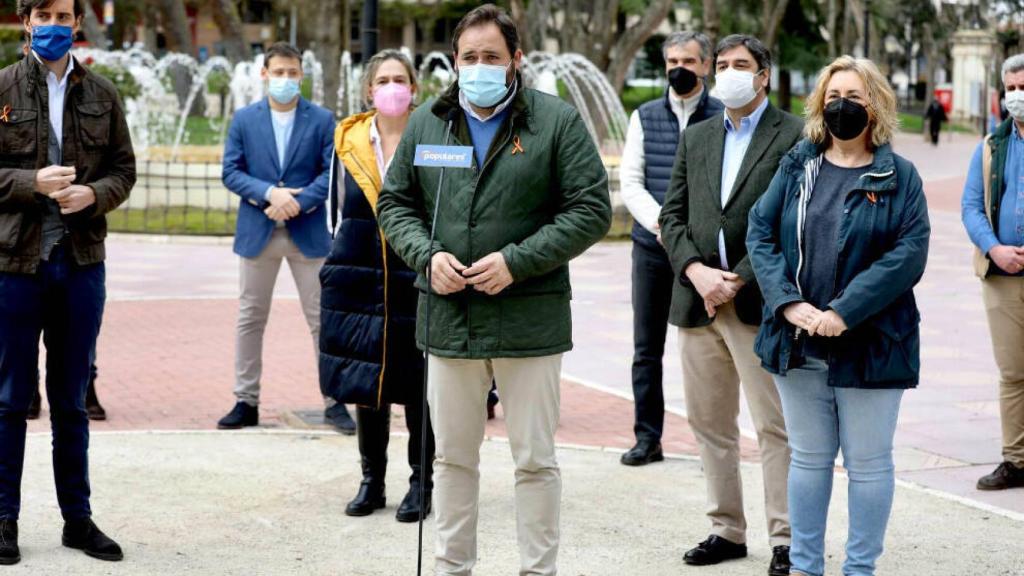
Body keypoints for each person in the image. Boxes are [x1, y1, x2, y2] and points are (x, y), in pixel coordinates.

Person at [376, 5, 611, 574]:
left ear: (516, 61)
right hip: (448, 318)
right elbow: (395, 202)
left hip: (529, 319)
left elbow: (591, 209)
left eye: (492, 57)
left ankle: (538, 569)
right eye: (469, 57)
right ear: (454, 62)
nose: (479, 67)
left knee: (534, 461)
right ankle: (453, 566)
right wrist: (425, 256)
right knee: (453, 460)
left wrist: (517, 261)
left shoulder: (555, 121)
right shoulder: (431, 121)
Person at [747, 55, 930, 576]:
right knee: (807, 458)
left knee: (869, 464)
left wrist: (844, 312)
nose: (841, 107)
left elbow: (908, 254)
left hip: (873, 342)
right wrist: (788, 302)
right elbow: (760, 232)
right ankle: (805, 567)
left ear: (875, 104)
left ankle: (859, 569)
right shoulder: (797, 164)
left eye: (852, 97)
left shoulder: (900, 175)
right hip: (799, 341)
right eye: (832, 98)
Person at [0, 0, 137, 564]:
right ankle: (4, 519)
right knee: (9, 400)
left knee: (72, 401)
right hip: (14, 265)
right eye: (46, 14)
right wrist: (30, 182)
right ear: (26, 19)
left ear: (75, 22)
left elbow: (124, 170)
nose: (57, 25)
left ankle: (76, 519)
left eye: (65, 15)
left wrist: (94, 194)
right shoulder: (4, 89)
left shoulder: (102, 93)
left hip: (81, 263)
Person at [659, 34, 800, 574]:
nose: (729, 73)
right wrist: (696, 271)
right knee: (710, 424)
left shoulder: (792, 136)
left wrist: (734, 279)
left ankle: (786, 536)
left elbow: (791, 220)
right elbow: (672, 216)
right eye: (722, 65)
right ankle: (727, 529)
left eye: (741, 65)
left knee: (773, 425)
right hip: (697, 304)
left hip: (757, 302)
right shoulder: (697, 137)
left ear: (763, 75)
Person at [319, 49, 435, 523]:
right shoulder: (349, 139)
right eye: (383, 79)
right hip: (360, 273)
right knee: (367, 380)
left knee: (417, 381)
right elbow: (333, 208)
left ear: (414, 87)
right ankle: (372, 479)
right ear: (369, 90)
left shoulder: (433, 134)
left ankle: (420, 481)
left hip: (417, 270)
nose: (392, 87)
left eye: (400, 79)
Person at [219, 42, 354, 434]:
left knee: (322, 319)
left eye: (292, 73)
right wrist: (269, 195)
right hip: (258, 230)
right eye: (278, 72)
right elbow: (231, 171)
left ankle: (334, 400)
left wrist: (298, 203)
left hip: (307, 232)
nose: (285, 79)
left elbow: (331, 175)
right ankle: (246, 401)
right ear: (264, 74)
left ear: (301, 75)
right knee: (250, 318)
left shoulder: (322, 119)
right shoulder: (245, 119)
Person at [618, 30, 723, 467]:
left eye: (688, 60)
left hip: (704, 255)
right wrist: (665, 226)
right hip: (653, 247)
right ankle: (648, 439)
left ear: (705, 66)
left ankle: (714, 445)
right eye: (672, 60)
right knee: (647, 350)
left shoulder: (722, 115)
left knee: (709, 353)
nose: (679, 68)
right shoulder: (644, 115)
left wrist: (688, 235)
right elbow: (631, 182)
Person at [961, 53, 1024, 491]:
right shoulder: (990, 147)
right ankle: (1016, 459)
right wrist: (994, 248)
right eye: (1012, 89)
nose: (1017, 96)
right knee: (1013, 372)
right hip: (1002, 277)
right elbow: (971, 206)